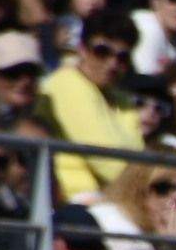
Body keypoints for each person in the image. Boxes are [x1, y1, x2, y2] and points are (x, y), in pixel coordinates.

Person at [37, 12, 143, 200]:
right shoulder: (65, 83)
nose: (112, 64)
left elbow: (136, 154)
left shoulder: (121, 100)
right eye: (102, 52)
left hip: (116, 198)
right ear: (82, 49)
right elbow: (109, 162)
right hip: (74, 198)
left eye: (122, 57)